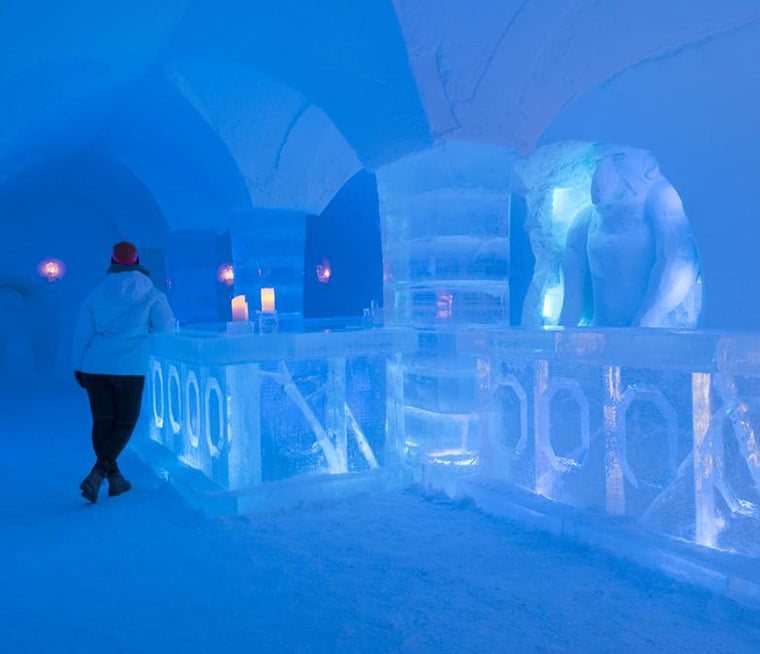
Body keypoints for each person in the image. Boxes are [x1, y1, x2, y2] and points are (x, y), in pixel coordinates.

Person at [72, 241, 176, 502]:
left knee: (103, 423)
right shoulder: (154, 295)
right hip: (131, 366)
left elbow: (81, 334)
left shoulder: (96, 294)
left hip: (96, 366)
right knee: (125, 423)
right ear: (138, 259)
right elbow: (166, 330)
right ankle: (100, 475)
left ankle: (113, 478)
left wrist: (78, 365)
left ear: (112, 260)